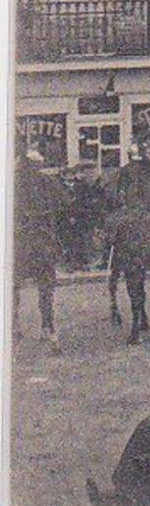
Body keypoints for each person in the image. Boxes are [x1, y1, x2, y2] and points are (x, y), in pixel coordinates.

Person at [13, 148, 67, 354]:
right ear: (38, 164)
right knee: (46, 285)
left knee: (11, 282)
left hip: (17, 234)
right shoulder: (46, 181)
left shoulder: (13, 181)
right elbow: (63, 201)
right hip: (41, 233)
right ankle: (48, 327)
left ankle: (14, 323)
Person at [112, 142, 150, 212]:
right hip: (149, 205)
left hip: (131, 205)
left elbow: (121, 190)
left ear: (129, 155)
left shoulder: (126, 170)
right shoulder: (149, 170)